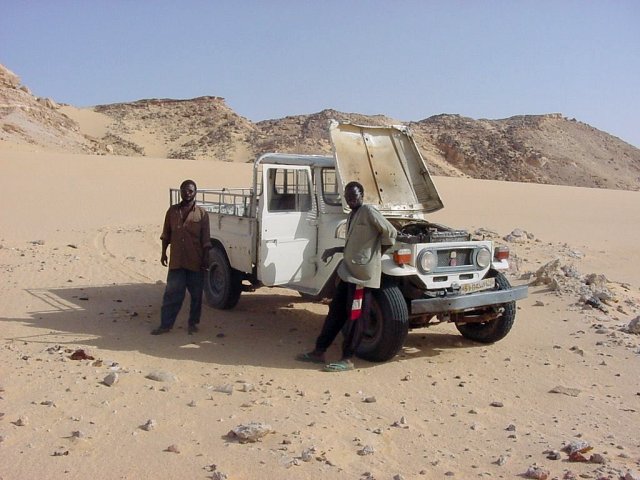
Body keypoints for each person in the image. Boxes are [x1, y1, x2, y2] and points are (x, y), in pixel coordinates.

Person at [297, 181, 397, 372]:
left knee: (356, 317)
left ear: (362, 195)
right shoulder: (352, 214)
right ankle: (319, 351)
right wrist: (336, 249)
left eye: (355, 196)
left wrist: (374, 255)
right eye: (348, 197)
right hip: (347, 272)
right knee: (335, 311)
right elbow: (357, 243)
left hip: (361, 277)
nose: (351, 200)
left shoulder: (368, 211)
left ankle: (348, 358)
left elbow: (391, 233)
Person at [151, 179, 212, 336]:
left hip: (195, 261)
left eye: (191, 191)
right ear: (180, 192)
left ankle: (193, 323)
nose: (187, 193)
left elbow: (206, 240)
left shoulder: (202, 214)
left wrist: (206, 259)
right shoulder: (172, 212)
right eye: (184, 190)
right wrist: (163, 252)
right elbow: (166, 234)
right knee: (172, 294)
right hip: (177, 261)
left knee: (196, 295)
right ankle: (165, 325)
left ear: (195, 192)